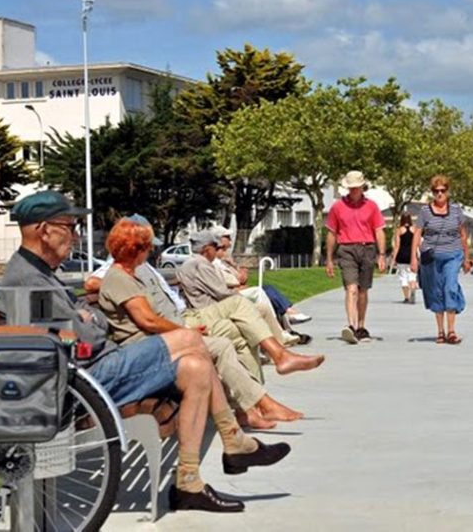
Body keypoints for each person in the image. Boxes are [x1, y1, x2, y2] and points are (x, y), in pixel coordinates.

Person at [0, 192, 289, 513]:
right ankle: (234, 443)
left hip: (90, 371)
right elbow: (76, 337)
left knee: (195, 367)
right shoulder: (29, 280)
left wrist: (86, 318)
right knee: (192, 342)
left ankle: (189, 482)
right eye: (70, 226)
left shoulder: (39, 272)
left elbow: (84, 321)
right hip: (86, 380)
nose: (77, 234)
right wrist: (87, 321)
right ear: (44, 230)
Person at [86, 218, 301, 429]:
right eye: (147, 246)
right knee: (220, 346)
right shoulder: (119, 277)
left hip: (159, 340)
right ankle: (260, 403)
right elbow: (148, 320)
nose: (150, 250)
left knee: (229, 336)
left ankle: (254, 405)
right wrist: (186, 332)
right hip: (149, 347)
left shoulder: (127, 275)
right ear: (135, 248)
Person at [178, 230, 325, 376]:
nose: (218, 252)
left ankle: (279, 351)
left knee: (258, 308)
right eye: (216, 248)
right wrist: (240, 293)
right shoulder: (200, 264)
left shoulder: (194, 263)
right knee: (247, 306)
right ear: (206, 249)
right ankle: (280, 352)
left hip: (210, 308)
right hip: (208, 309)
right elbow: (222, 293)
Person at [324, 170, 387, 343]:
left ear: (362, 187)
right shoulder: (337, 207)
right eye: (350, 188)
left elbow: (379, 231)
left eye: (356, 188)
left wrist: (382, 255)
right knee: (351, 288)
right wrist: (329, 258)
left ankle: (361, 326)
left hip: (367, 248)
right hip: (346, 249)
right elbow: (331, 233)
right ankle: (351, 325)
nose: (353, 191)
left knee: (362, 290)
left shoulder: (372, 206)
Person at [411, 174, 471, 344]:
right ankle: (440, 331)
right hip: (432, 257)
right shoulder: (425, 212)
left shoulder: (456, 210)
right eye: (436, 191)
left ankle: (451, 331)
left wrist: (466, 258)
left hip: (453, 254)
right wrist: (413, 259)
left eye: (442, 191)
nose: (439, 194)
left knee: (450, 287)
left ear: (448, 191)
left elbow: (463, 235)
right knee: (436, 291)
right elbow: (417, 234)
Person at [389, 212, 417, 304]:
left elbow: (397, 245)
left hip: (402, 256)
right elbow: (418, 243)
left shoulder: (399, 230)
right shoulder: (414, 229)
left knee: (403, 276)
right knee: (412, 275)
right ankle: (413, 289)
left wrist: (393, 259)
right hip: (412, 255)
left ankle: (407, 297)